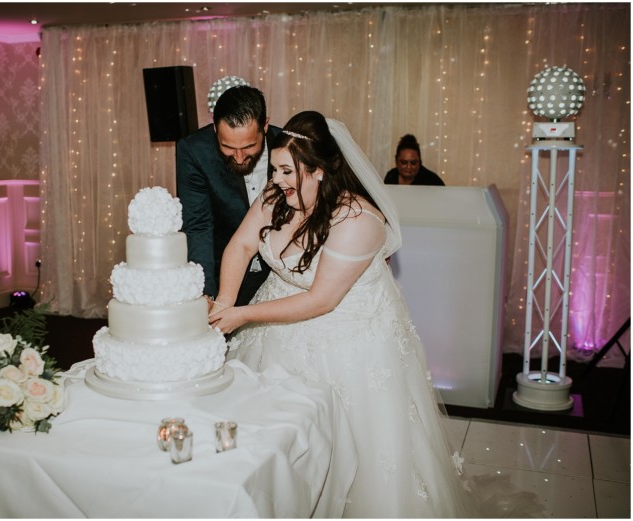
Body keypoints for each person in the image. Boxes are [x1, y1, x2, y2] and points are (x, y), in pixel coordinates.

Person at [209, 111, 476, 517]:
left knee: (347, 447)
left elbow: (321, 300)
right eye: (275, 169)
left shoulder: (358, 220)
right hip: (276, 323)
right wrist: (226, 303)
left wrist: (242, 315)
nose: (276, 180)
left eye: (286, 170)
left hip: (348, 340)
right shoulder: (276, 198)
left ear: (317, 171)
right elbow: (242, 245)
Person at [176, 85, 281, 307]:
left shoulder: (290, 145)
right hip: (224, 273)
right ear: (215, 128)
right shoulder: (194, 151)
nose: (240, 158)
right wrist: (204, 291)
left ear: (265, 125)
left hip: (280, 275)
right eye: (228, 147)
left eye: (250, 146)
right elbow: (198, 225)